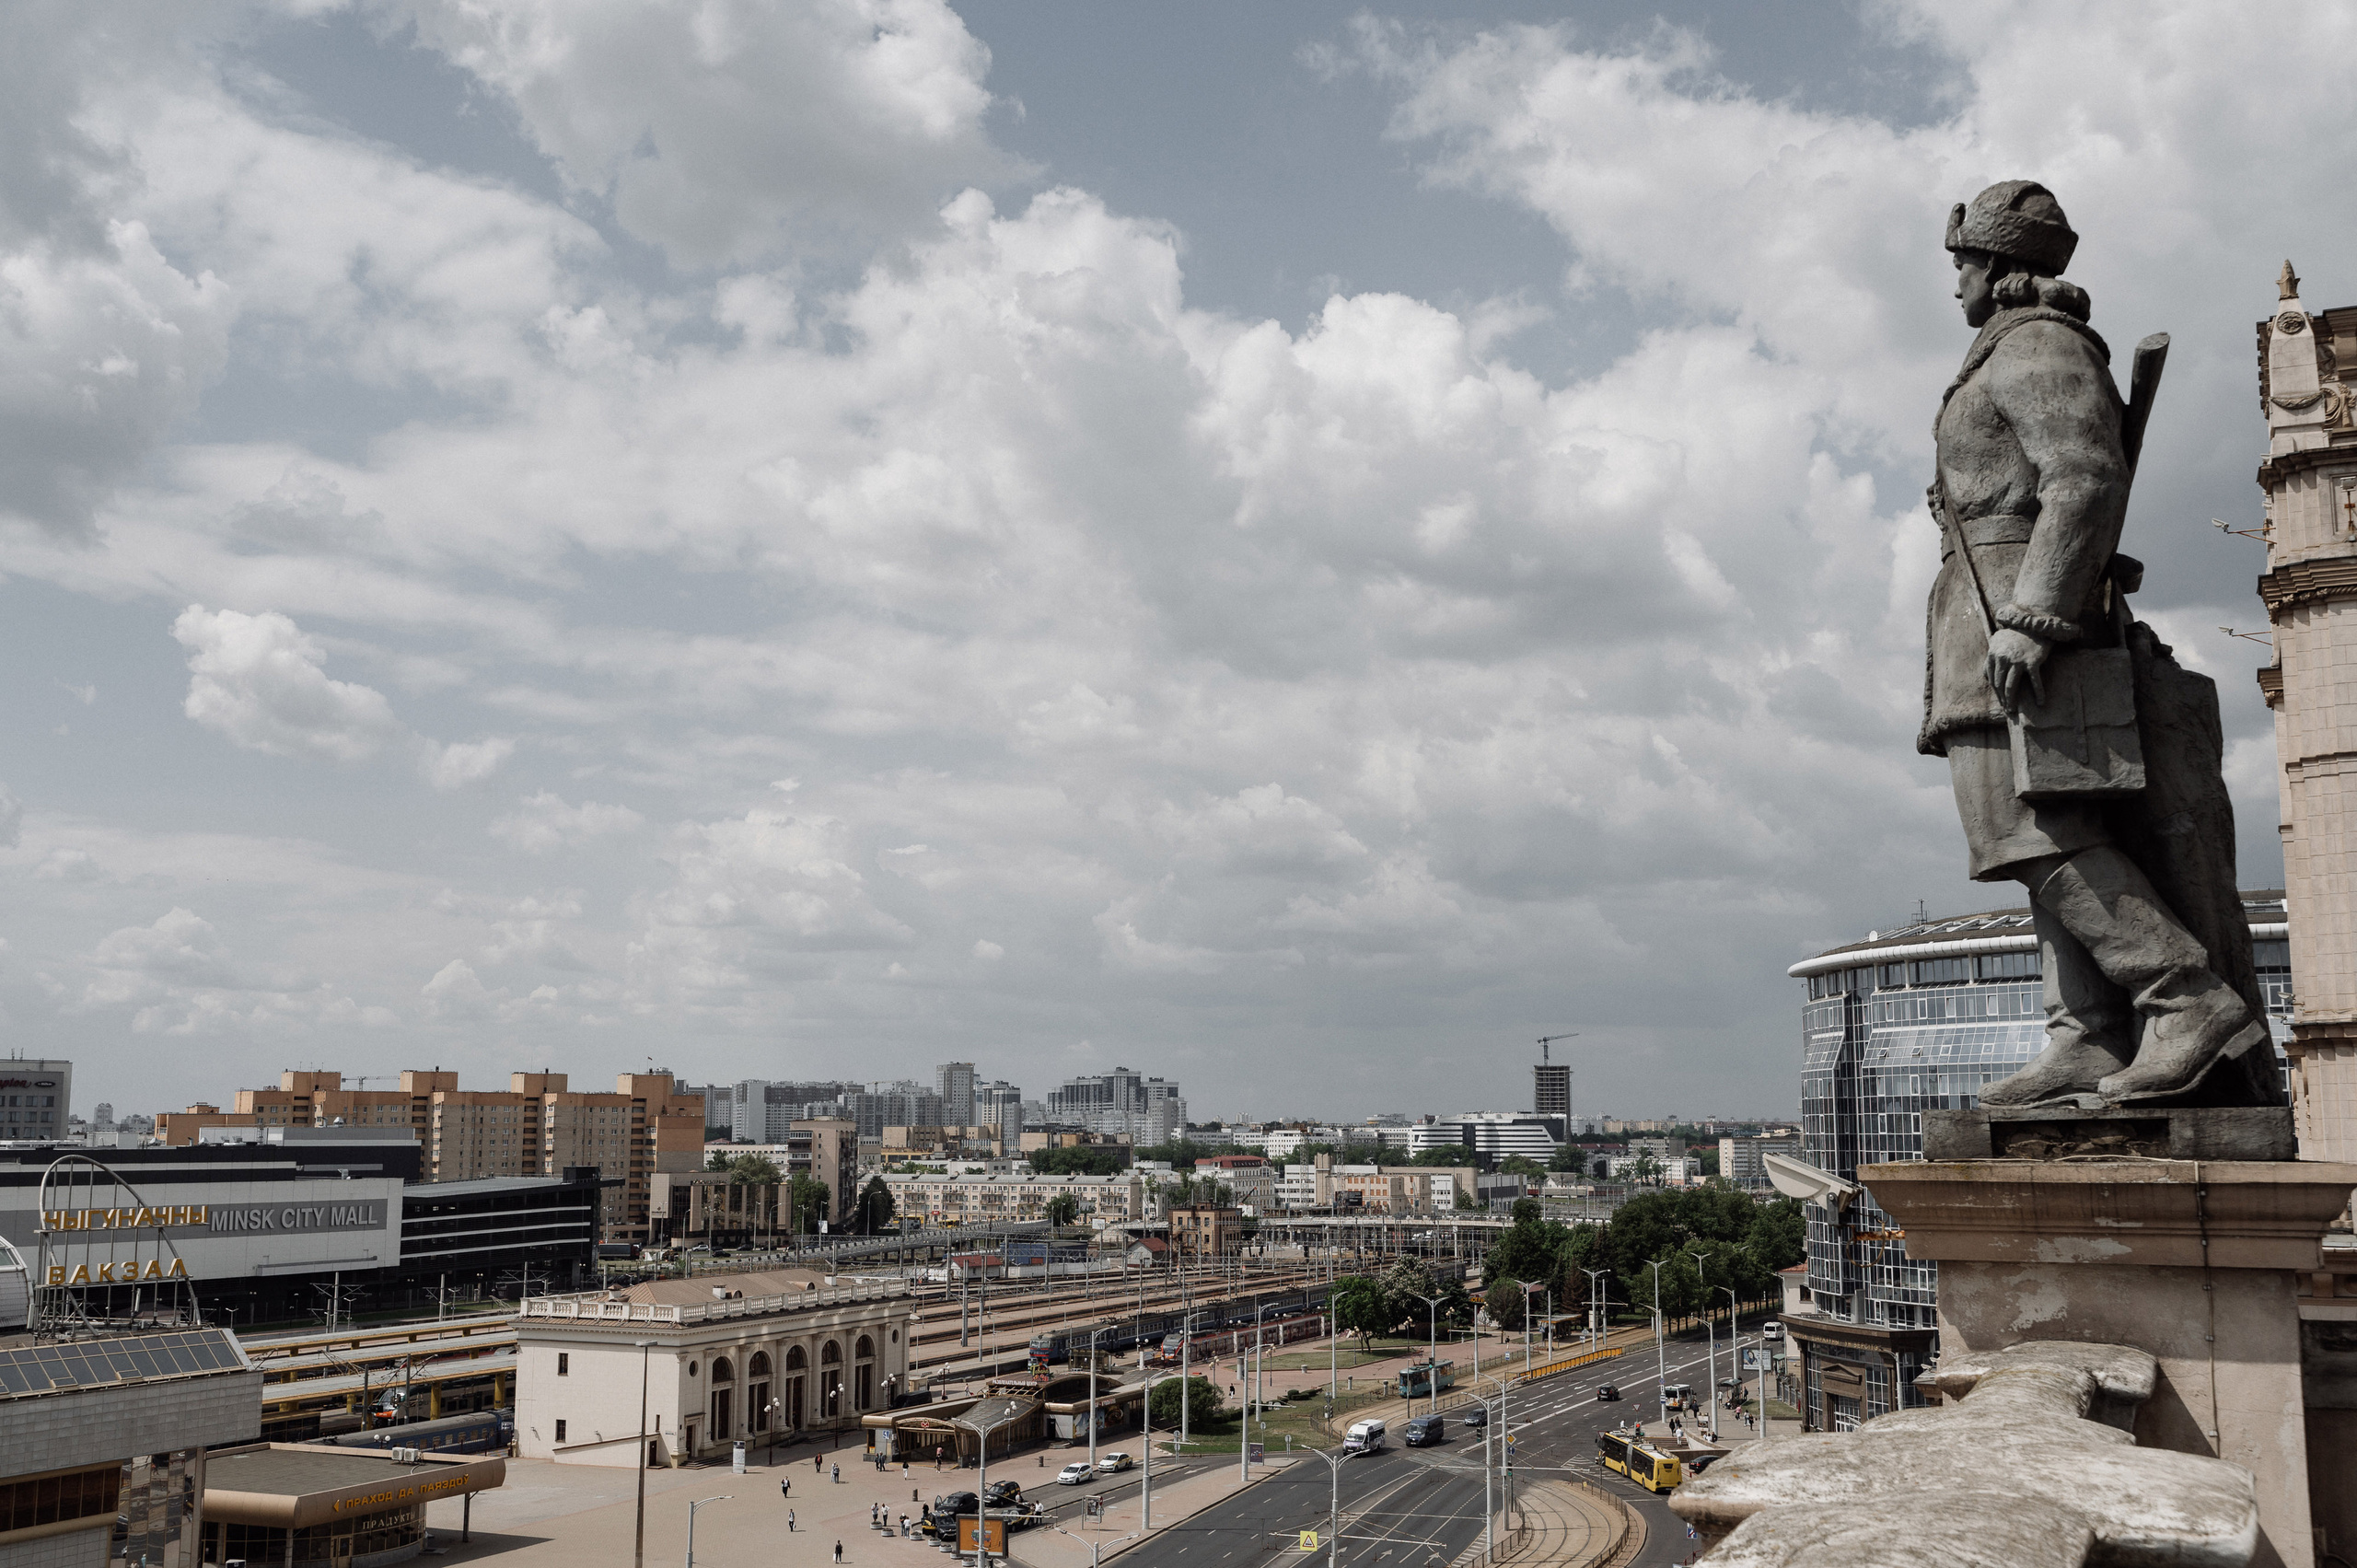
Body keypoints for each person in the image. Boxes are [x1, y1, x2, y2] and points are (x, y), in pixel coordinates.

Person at [1923, 179, 2277, 1109]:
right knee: (2034, 823)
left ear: (1998, 264)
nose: (1954, 277)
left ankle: (2183, 996)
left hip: (2023, 621)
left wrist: (2037, 614)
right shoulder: (2002, 349)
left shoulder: (2039, 344)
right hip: (1981, 615)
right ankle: (2084, 1029)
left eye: (1962, 259)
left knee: (2027, 826)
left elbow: (2083, 476)